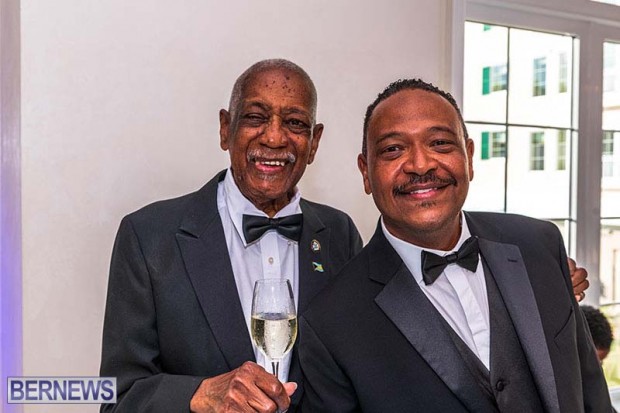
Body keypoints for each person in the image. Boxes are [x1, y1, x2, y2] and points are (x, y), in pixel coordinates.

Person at [298, 78, 612, 412]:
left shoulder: (539, 244)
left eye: (440, 143)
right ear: (366, 172)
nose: (420, 165)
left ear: (469, 157)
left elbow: (592, 397)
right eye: (393, 149)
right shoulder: (331, 325)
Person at [99, 59, 362, 413]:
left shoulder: (340, 235)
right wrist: (201, 394)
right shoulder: (148, 237)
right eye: (255, 117)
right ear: (226, 129)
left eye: (295, 123)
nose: (274, 137)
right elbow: (118, 398)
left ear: (313, 143)